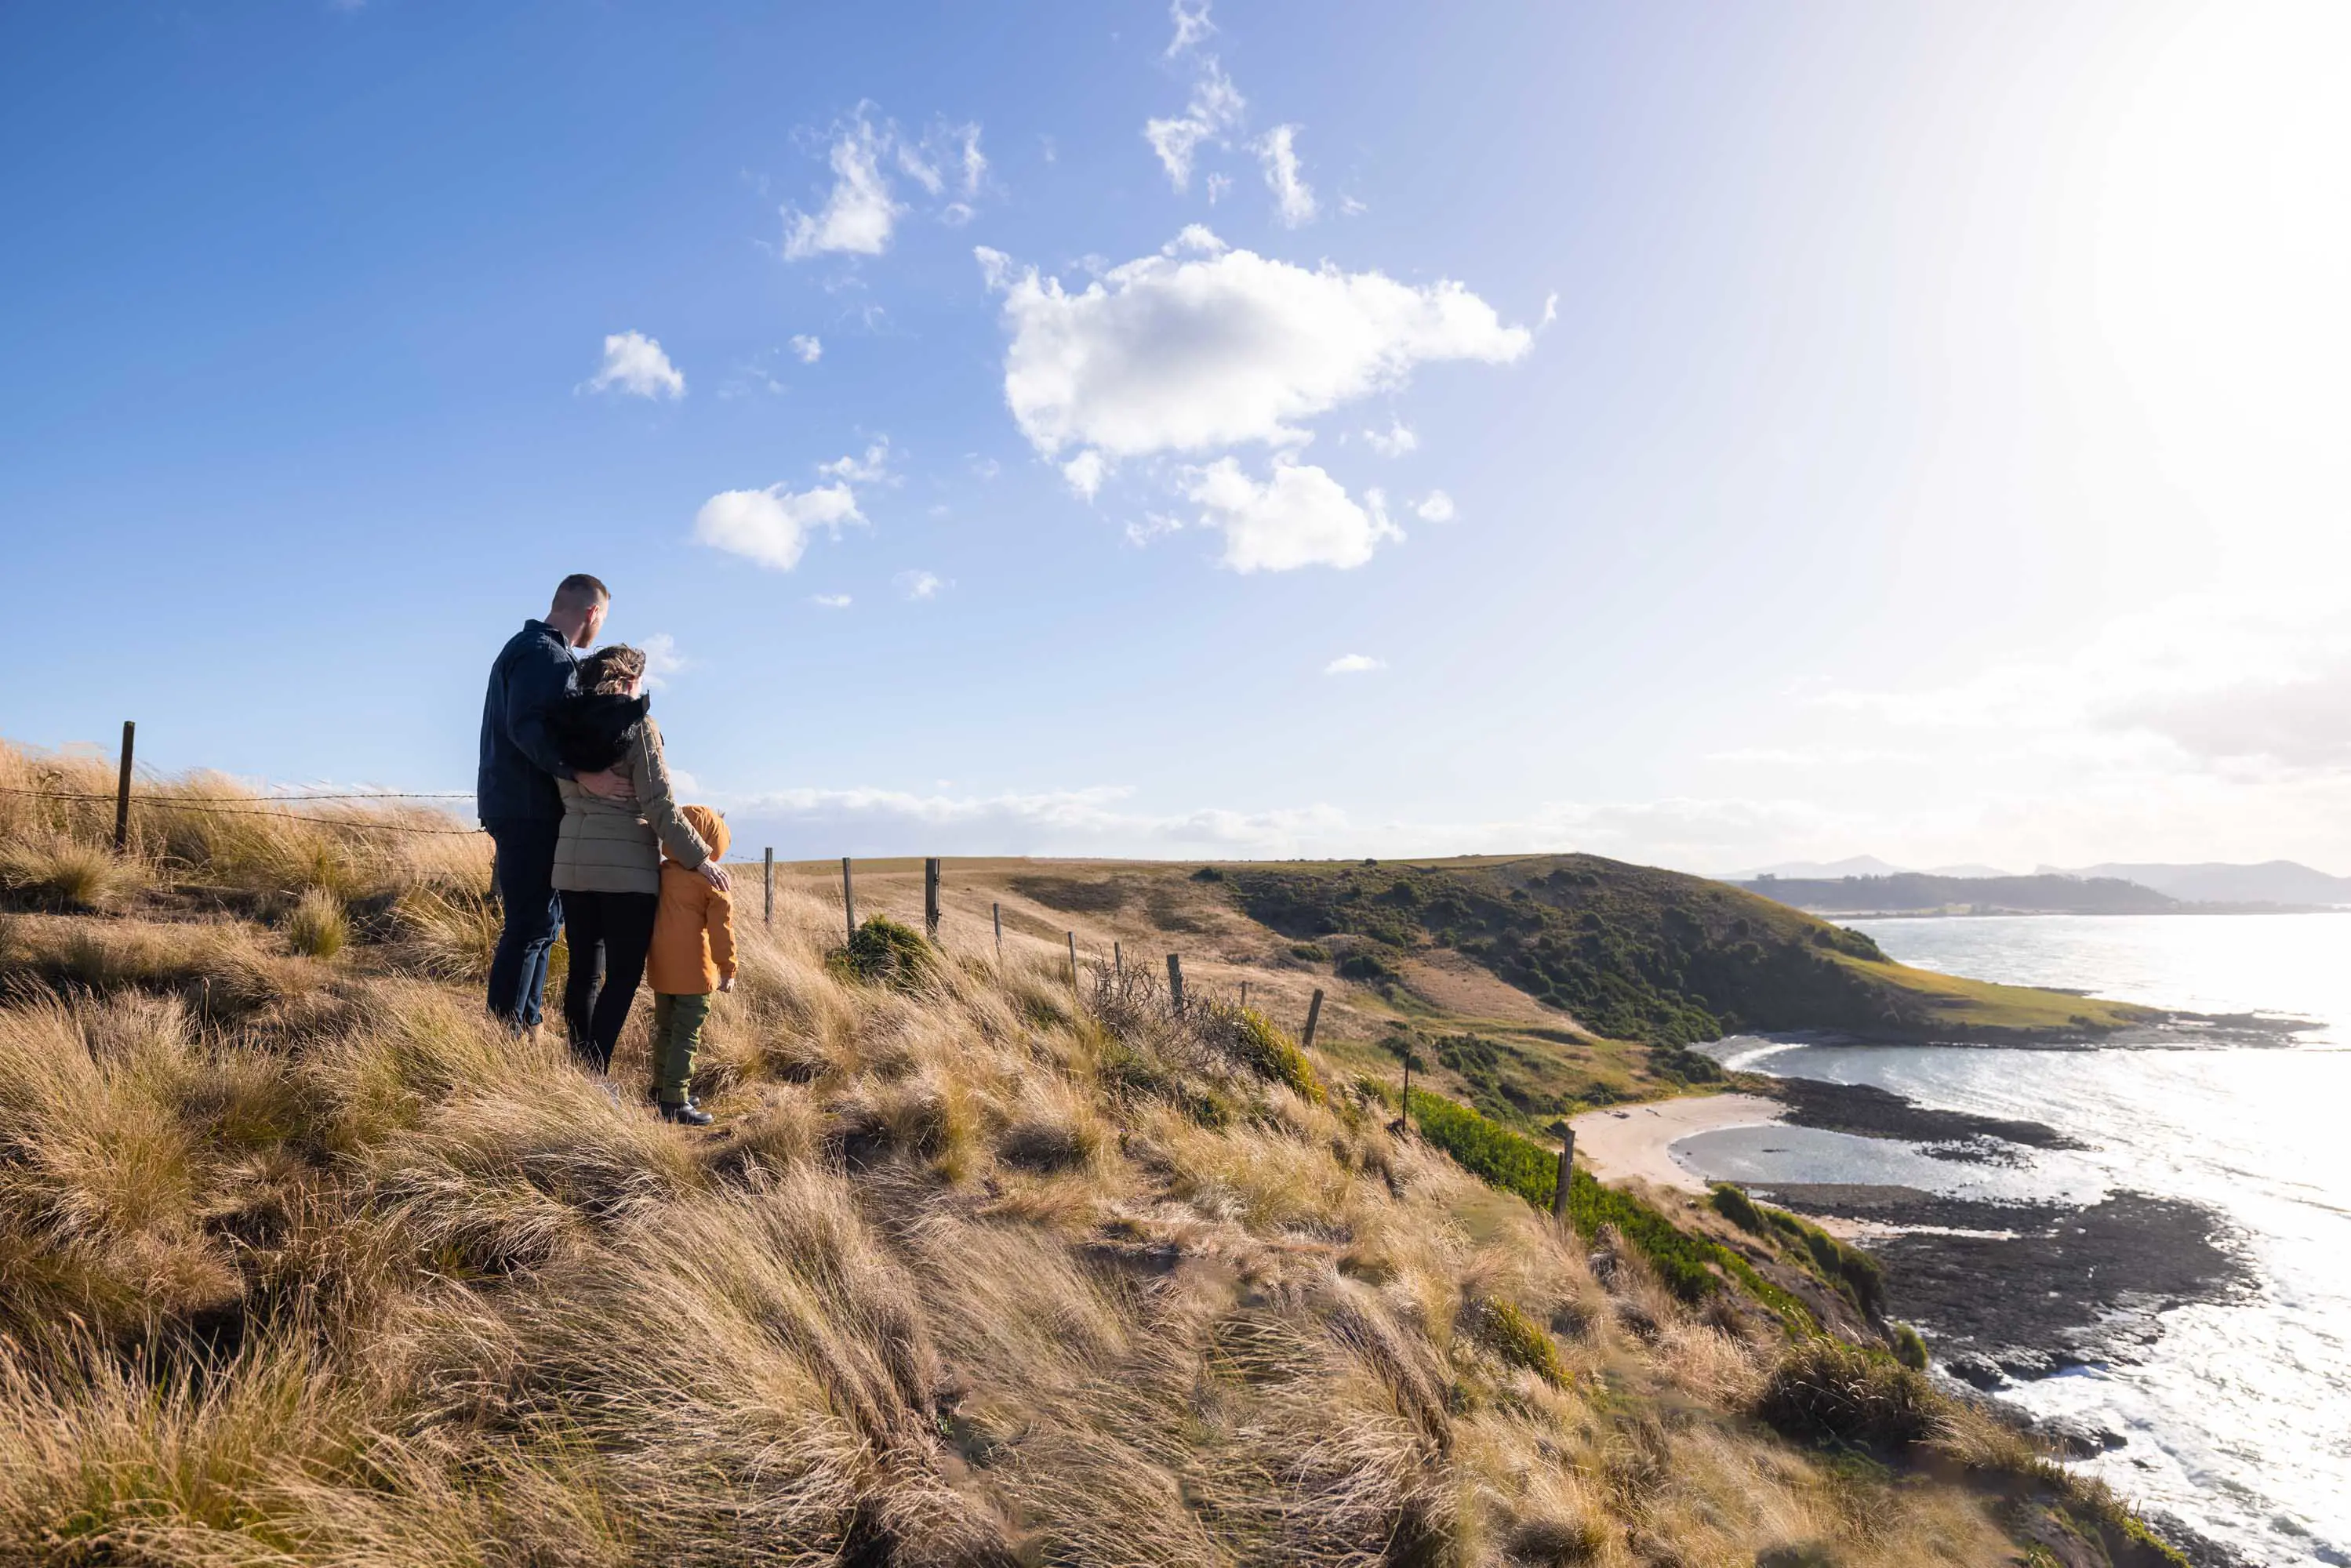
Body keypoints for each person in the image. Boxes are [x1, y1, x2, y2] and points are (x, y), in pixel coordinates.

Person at [547, 644, 729, 1080]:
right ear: (631, 682)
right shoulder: (639, 725)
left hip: (572, 864)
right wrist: (699, 858)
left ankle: (580, 1071)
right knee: (624, 976)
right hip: (626, 872)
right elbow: (660, 803)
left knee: (584, 973)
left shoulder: (565, 725)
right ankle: (594, 1075)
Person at [477, 574, 635, 1036]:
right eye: (601, 620)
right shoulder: (544, 655)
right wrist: (585, 775)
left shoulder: (532, 650)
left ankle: (525, 1024)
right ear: (592, 613)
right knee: (530, 923)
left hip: (523, 805)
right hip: (528, 809)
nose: (598, 631)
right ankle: (506, 1035)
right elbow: (527, 729)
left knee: (543, 923)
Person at [645, 803, 736, 1125]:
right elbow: (720, 931)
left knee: (666, 1030)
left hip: (661, 968)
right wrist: (728, 969)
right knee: (687, 1036)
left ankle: (661, 1089)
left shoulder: (661, 873)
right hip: (695, 972)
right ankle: (676, 1100)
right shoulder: (714, 883)